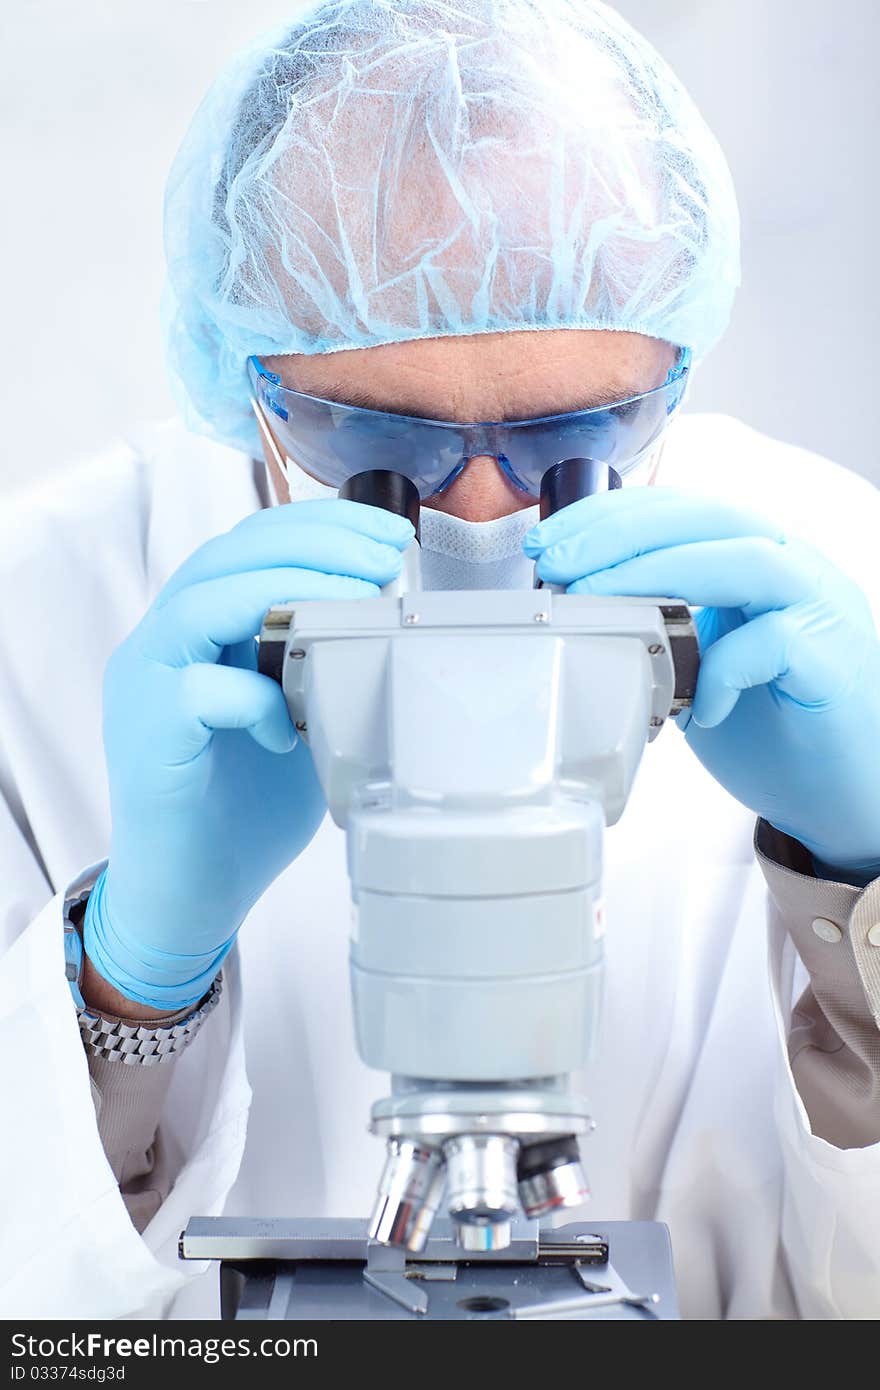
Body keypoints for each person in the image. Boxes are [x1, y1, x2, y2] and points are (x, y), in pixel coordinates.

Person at [2, 0, 879, 1321]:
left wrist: (859, 891)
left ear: (670, 371)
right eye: (381, 451)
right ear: (250, 375)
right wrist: (136, 978)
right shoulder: (43, 614)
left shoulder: (836, 577)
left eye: (569, 442)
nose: (480, 523)